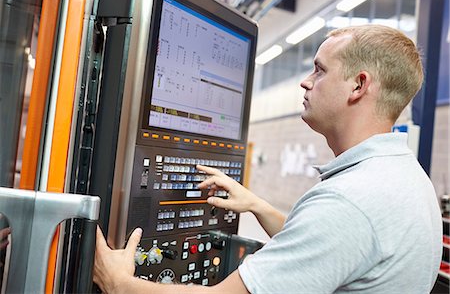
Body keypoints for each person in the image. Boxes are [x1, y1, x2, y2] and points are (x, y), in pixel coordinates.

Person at [93, 24, 443, 293]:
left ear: (358, 85)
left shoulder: (348, 203)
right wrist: (259, 206)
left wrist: (117, 283)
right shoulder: (406, 177)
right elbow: (333, 251)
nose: (305, 82)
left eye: (320, 70)